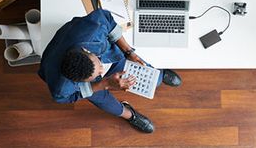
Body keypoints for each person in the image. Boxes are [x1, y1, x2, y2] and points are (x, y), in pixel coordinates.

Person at [38, 9, 182, 133]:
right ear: (76, 82)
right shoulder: (61, 86)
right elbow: (64, 98)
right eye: (96, 75)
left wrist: (129, 52)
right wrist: (103, 84)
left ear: (87, 50)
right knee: (105, 102)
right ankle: (129, 114)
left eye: (99, 66)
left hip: (100, 50)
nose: (102, 72)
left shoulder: (93, 30)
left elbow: (107, 18)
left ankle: (159, 75)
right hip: (78, 74)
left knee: (150, 77)